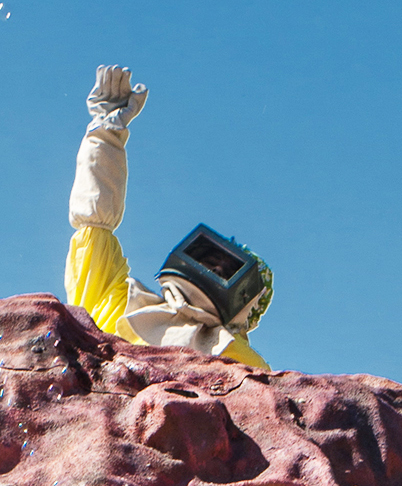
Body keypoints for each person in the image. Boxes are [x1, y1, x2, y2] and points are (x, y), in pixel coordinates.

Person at [65, 65, 274, 369]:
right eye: (211, 257)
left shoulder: (244, 364)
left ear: (246, 303)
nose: (214, 266)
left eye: (228, 270)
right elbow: (93, 226)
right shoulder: (120, 303)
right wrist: (105, 133)